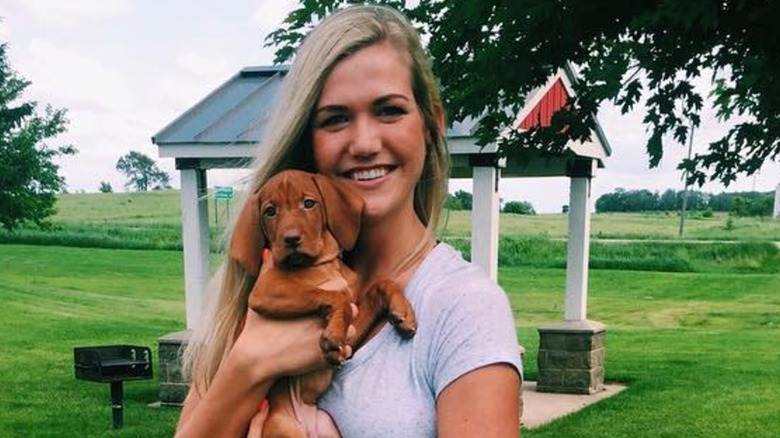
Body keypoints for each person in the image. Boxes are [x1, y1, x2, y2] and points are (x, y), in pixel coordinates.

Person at [175, 4, 523, 437]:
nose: (364, 143)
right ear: (308, 138)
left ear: (432, 123)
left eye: (389, 110)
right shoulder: (262, 290)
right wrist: (249, 362)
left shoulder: (462, 306)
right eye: (336, 119)